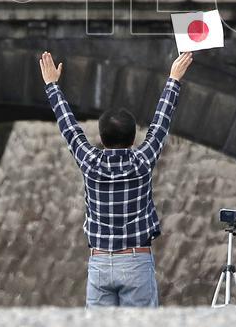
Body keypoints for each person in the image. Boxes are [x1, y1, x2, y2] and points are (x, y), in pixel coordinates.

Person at [38, 50, 194, 308]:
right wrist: (174, 79)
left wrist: (52, 86)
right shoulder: (142, 161)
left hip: (99, 262)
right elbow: (160, 123)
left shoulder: (89, 162)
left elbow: (69, 127)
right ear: (133, 139)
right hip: (136, 260)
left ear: (101, 137)